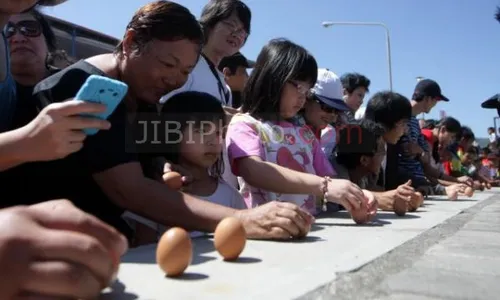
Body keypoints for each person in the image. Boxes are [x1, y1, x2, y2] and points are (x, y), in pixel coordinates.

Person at [26, 1, 310, 241]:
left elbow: (153, 165)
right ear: (130, 43)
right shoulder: (85, 88)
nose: (175, 80)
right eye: (168, 64)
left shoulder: (146, 98)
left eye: (186, 70)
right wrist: (242, 220)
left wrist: (163, 164)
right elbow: (129, 190)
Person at [226, 38, 371, 222]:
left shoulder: (305, 134)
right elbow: (253, 170)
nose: (303, 98)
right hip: (268, 230)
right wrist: (324, 186)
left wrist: (360, 195)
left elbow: (331, 181)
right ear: (273, 79)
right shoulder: (245, 124)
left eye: (307, 91)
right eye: (299, 87)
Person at [124, 91, 246, 246]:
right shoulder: (155, 194)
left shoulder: (231, 196)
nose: (214, 141)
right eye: (201, 131)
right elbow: (142, 248)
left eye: (218, 132)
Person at [160, 0, 252, 189]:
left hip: (214, 181)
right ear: (209, 24)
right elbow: (165, 113)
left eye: (243, 31)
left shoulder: (222, 82)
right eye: (230, 25)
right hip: (185, 180)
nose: (237, 34)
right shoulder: (188, 66)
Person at [334, 119, 416, 213]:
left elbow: (376, 190)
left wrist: (405, 195)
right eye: (381, 151)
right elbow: (347, 196)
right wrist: (381, 198)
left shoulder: (364, 173)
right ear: (364, 160)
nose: (385, 154)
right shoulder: (335, 174)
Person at [299, 68, 350, 160]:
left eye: (337, 110)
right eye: (328, 108)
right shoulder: (288, 130)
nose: (333, 116)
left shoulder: (318, 131)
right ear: (307, 99)